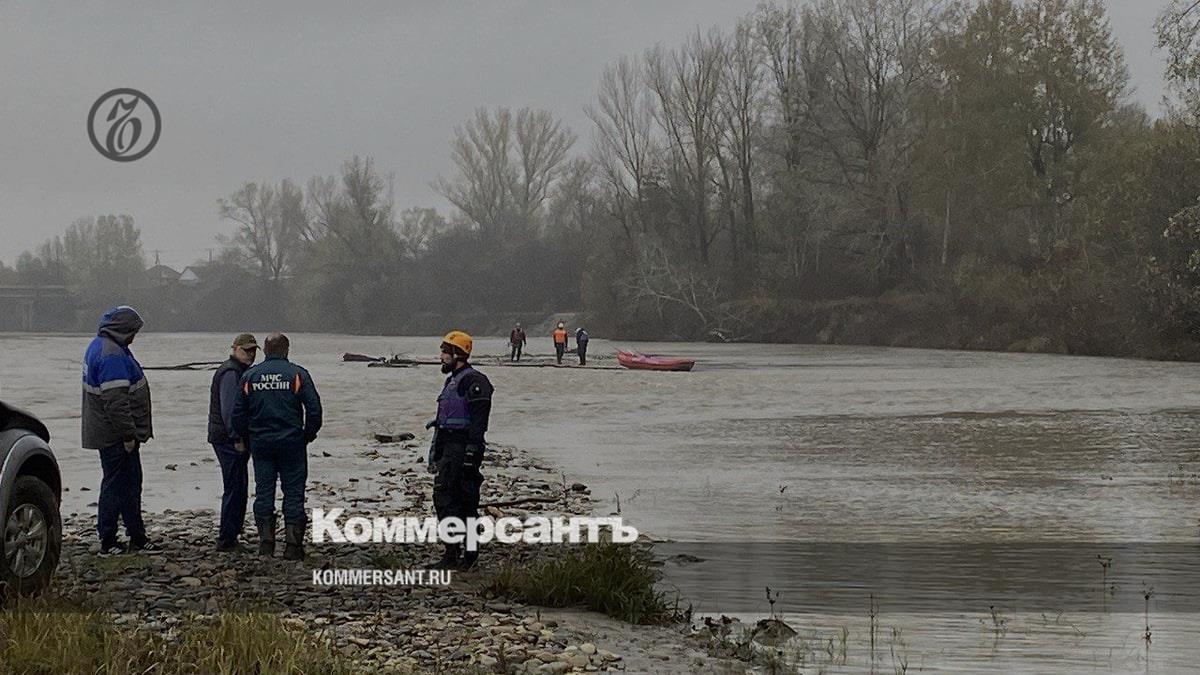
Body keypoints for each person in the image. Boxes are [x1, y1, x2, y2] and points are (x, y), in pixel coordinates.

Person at [232, 333, 322, 560]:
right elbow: (314, 409)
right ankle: (293, 546)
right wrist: (307, 435)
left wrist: (247, 437)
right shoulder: (298, 374)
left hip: (261, 444)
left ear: (264, 350)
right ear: (287, 350)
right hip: (292, 442)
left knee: (263, 491)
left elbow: (238, 414)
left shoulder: (250, 377)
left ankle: (266, 543)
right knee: (293, 492)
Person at [82, 306, 157, 555]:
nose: (135, 336)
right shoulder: (112, 355)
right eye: (133, 331)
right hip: (115, 436)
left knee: (128, 484)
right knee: (118, 487)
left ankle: (135, 535)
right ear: (123, 330)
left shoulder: (103, 346)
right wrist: (128, 435)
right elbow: (116, 403)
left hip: (111, 433)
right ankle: (109, 540)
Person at [429, 331, 494, 570]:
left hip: (463, 448)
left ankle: (467, 554)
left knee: (462, 500)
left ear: (457, 354)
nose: (441, 356)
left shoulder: (474, 382)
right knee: (446, 499)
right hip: (449, 447)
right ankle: (453, 552)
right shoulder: (453, 380)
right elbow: (443, 422)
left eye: (445, 352)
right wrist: (436, 452)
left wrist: (470, 454)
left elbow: (478, 423)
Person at [207, 333, 258, 552]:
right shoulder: (230, 372)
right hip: (227, 439)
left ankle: (233, 533)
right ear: (234, 349)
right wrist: (237, 437)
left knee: (239, 485)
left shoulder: (240, 371)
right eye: (246, 350)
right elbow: (229, 410)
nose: (250, 355)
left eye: (253, 351)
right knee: (234, 486)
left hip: (230, 437)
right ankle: (227, 538)